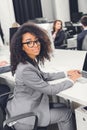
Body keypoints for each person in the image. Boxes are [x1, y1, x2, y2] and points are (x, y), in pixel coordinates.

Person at [6, 22, 81, 130]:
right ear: (21, 47)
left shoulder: (28, 61)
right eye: (29, 43)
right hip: (25, 116)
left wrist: (66, 73)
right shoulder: (25, 69)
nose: (35, 44)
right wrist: (71, 80)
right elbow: (50, 90)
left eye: (36, 41)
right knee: (66, 114)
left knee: (64, 107)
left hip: (29, 106)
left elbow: (43, 76)